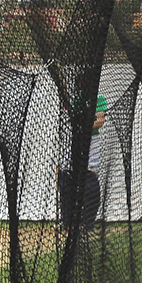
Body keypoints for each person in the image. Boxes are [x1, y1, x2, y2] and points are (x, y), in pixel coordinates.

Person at [58, 93, 106, 229]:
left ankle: (87, 224)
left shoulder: (98, 99)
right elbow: (66, 119)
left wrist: (82, 122)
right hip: (72, 148)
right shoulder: (75, 99)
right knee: (66, 182)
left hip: (90, 149)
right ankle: (67, 223)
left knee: (90, 185)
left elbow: (100, 121)